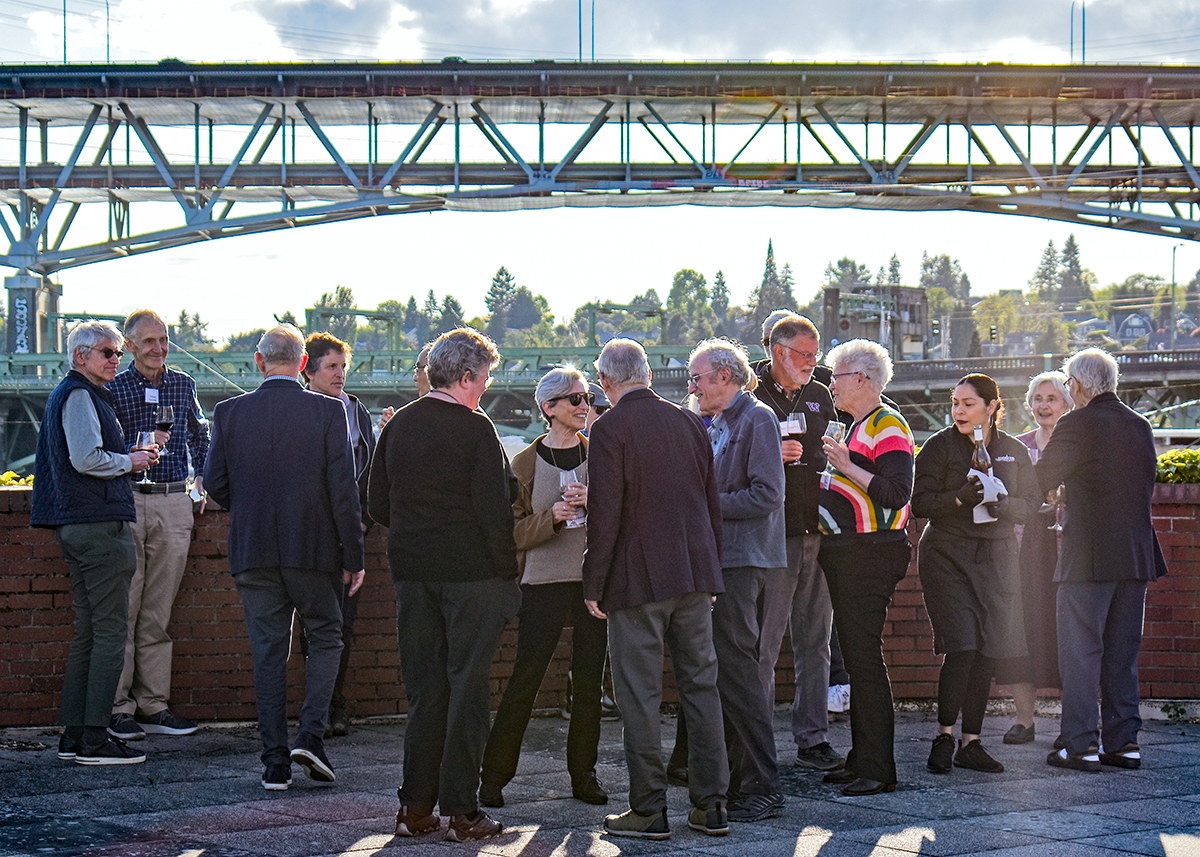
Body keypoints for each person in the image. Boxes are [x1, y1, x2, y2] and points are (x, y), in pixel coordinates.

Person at [368, 327, 520, 842]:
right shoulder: (476, 429)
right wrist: (508, 573)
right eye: (484, 378)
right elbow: (494, 512)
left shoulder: (398, 426)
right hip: (472, 575)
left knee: (426, 692)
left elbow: (376, 503)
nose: (485, 387)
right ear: (465, 376)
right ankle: (463, 812)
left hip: (412, 572)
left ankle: (414, 808)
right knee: (468, 691)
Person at [204, 325, 365, 791]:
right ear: (301, 364)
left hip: (252, 551)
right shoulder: (328, 411)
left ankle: (274, 762)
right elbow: (344, 490)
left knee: (268, 653)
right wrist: (353, 554)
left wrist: (251, 509)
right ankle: (311, 736)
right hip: (313, 550)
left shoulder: (229, 412)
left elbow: (215, 482)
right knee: (327, 636)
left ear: (258, 362)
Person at [582, 338, 730, 840]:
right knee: (702, 690)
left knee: (639, 697)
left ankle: (648, 809)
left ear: (605, 381)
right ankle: (711, 807)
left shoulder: (608, 428)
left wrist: (593, 582)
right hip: (693, 574)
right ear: (646, 372)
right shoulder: (690, 421)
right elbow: (710, 503)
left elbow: (605, 515)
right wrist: (711, 572)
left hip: (636, 578)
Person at [479, 367, 608, 809]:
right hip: (543, 582)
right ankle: (493, 777)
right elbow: (509, 532)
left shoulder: (602, 455)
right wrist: (550, 518)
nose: (583, 405)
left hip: (593, 582)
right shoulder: (526, 463)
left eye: (586, 397)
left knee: (590, 684)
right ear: (548, 408)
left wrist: (597, 501)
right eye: (574, 399)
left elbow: (625, 515)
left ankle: (584, 776)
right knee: (526, 679)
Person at [1036, 348, 1168, 772]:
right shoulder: (1140, 424)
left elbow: (1044, 477)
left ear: (1077, 385)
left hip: (1088, 556)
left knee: (1080, 653)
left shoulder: (1076, 422)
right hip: (1135, 555)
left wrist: (1061, 490)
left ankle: (1080, 745)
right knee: (1121, 655)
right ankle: (1124, 743)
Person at [32, 321, 157, 765]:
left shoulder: (67, 393)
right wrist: (133, 460)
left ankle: (74, 734)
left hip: (77, 523)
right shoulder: (81, 395)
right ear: (81, 356)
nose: (115, 360)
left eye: (118, 353)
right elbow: (86, 458)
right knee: (109, 633)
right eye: (107, 352)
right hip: (100, 524)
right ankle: (93, 737)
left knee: (88, 631)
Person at [912, 374, 1040, 775]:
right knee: (963, 645)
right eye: (955, 403)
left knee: (987, 647)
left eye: (968, 404)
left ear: (991, 406)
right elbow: (919, 504)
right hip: (947, 554)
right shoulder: (939, 446)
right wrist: (958, 498)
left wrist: (1007, 504)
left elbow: (1032, 501)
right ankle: (944, 736)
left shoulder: (1013, 450)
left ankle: (972, 742)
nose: (959, 411)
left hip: (998, 556)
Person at [687, 339, 786, 822]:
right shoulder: (722, 422)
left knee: (741, 672)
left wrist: (705, 505)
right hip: (723, 560)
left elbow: (768, 494)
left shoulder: (757, 418)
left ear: (725, 376)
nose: (693, 386)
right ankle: (737, 777)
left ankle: (763, 783)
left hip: (742, 561)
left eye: (698, 377)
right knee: (730, 670)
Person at [105, 309, 208, 743]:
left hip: (171, 503)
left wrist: (201, 477)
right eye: (148, 341)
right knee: (123, 610)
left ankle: (154, 705)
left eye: (163, 339)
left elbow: (200, 435)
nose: (158, 348)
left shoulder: (183, 384)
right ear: (129, 346)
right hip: (127, 502)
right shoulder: (112, 386)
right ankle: (117, 708)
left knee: (157, 612)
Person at [817, 339, 914, 796]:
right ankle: (861, 758)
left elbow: (897, 493)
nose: (830, 384)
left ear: (862, 379)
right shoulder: (860, 425)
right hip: (852, 551)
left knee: (864, 660)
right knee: (857, 659)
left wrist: (845, 463)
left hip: (870, 553)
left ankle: (878, 767)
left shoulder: (887, 423)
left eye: (836, 376)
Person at [750, 314, 842, 772]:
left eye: (816, 354)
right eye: (806, 354)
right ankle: (758, 741)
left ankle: (813, 737)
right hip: (770, 537)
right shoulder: (748, 392)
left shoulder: (822, 394)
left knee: (816, 642)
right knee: (763, 646)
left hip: (816, 531)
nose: (813, 362)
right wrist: (770, 452)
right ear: (779, 352)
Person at [301, 332, 377, 737]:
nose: (340, 374)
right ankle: (315, 705)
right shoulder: (299, 409)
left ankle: (336, 702)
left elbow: (369, 470)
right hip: (311, 534)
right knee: (313, 624)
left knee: (343, 624)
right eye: (332, 366)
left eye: (343, 366)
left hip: (350, 534)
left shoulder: (356, 410)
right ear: (308, 370)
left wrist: (361, 519)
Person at [995, 371, 1073, 745]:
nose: (1044, 405)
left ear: (1067, 404)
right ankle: (1024, 721)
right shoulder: (1018, 447)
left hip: (1067, 550)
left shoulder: (1078, 445)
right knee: (1021, 634)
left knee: (1070, 636)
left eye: (1052, 398)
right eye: (1038, 398)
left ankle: (1074, 724)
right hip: (1023, 552)